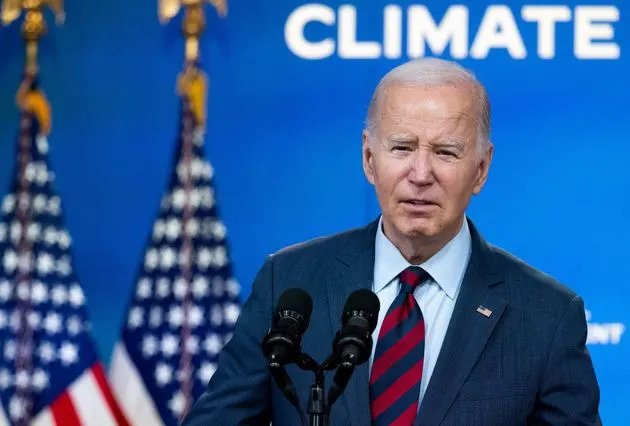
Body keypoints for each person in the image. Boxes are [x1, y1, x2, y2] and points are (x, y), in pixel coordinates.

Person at [183, 58, 600, 425]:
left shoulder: (547, 316)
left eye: (446, 153)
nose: (420, 173)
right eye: (402, 147)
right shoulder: (289, 282)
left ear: (481, 169)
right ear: (369, 159)